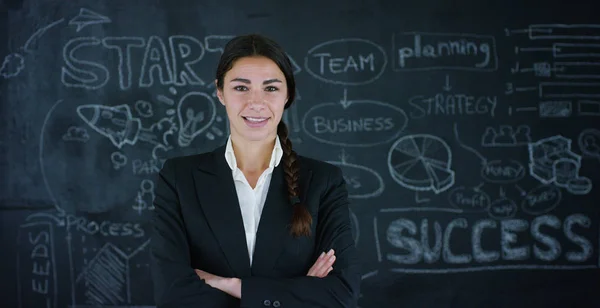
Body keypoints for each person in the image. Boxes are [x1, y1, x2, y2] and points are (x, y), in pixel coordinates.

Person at [150, 33, 361, 308]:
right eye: (241, 88)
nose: (256, 102)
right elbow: (173, 294)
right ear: (220, 91)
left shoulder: (323, 181)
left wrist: (230, 285)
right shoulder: (179, 178)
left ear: (288, 95)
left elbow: (341, 295)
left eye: (270, 88)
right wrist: (295, 294)